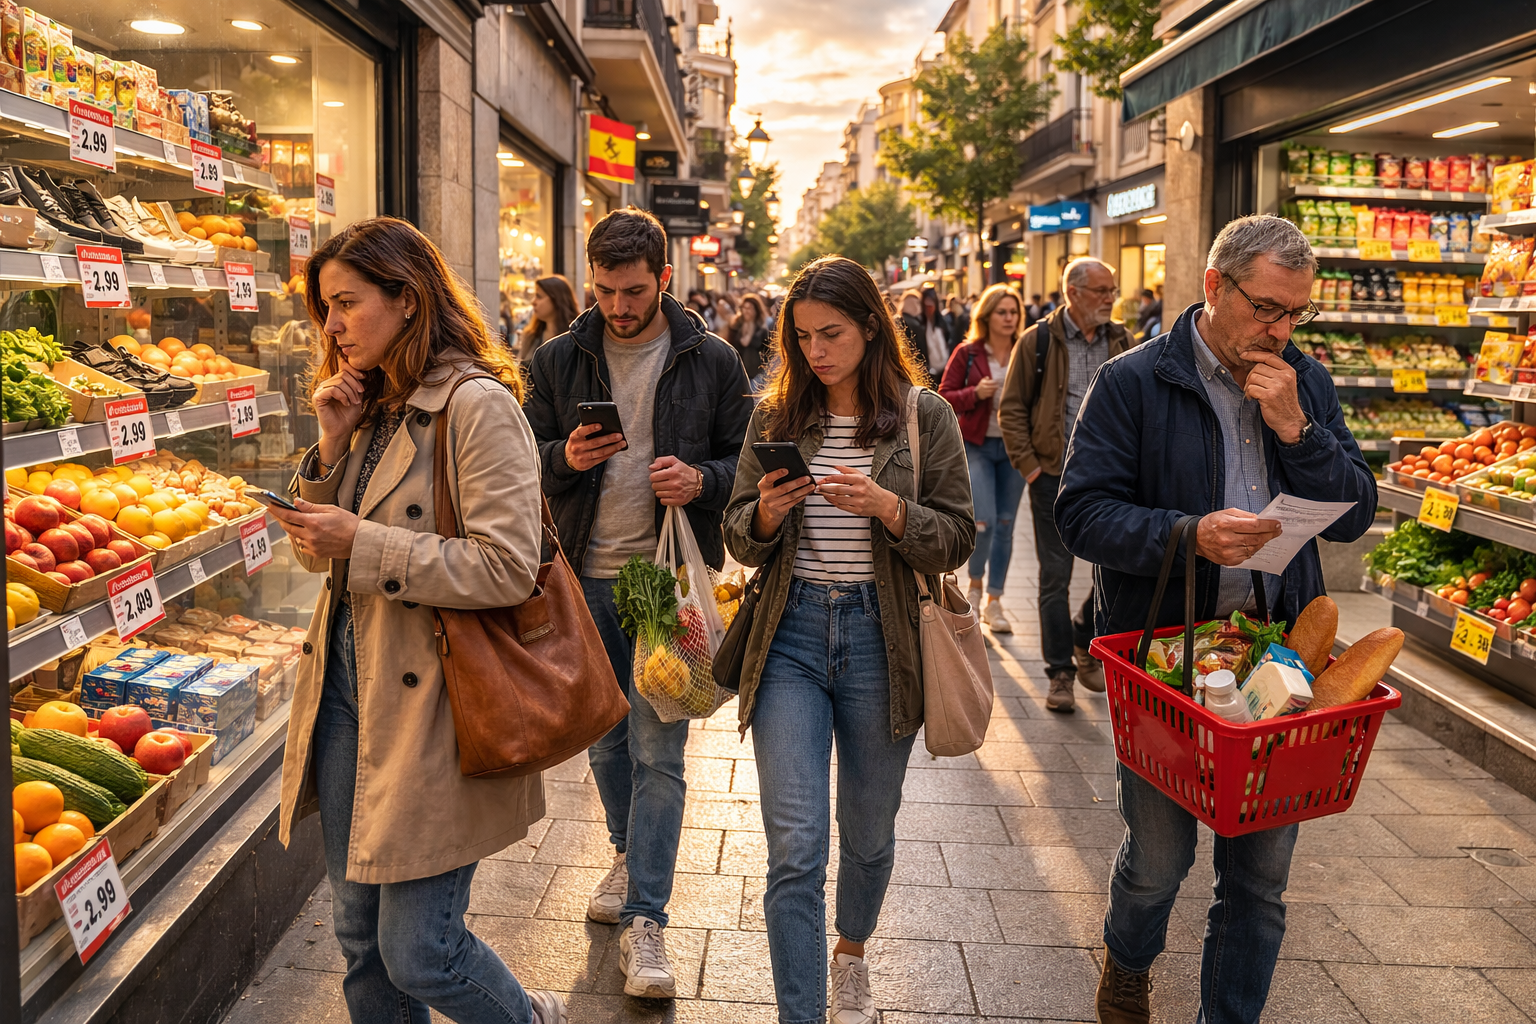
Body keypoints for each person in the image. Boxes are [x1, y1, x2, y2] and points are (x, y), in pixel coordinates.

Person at [1055, 215, 1377, 1024]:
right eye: (1266, 308)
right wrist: (1188, 535)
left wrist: (1299, 432)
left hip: (1278, 658)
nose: (1279, 330)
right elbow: (1081, 513)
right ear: (1213, 287)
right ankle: (1128, 960)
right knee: (1158, 862)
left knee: (1260, 877)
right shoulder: (1134, 381)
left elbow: (1352, 513)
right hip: (1166, 655)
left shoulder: (1304, 381)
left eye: (1296, 313)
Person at [269, 218, 567, 1024]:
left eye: (346, 304)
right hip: (342, 694)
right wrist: (329, 448)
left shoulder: (475, 405)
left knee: (421, 951)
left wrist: (364, 541)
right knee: (359, 942)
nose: (330, 327)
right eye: (324, 309)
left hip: (434, 707)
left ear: (407, 299)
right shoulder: (368, 405)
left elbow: (508, 567)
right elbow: (318, 559)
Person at [723, 255, 974, 1024]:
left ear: (871, 326)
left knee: (867, 831)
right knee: (795, 847)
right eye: (800, 337)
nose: (815, 351)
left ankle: (853, 950)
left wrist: (889, 508)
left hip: (881, 638)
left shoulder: (924, 415)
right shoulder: (774, 417)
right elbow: (737, 532)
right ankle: (802, 1014)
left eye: (830, 334)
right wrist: (766, 513)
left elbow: (958, 535)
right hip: (789, 633)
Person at [524, 208, 753, 1000]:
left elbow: (742, 466)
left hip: (662, 579)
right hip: (581, 574)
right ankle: (627, 853)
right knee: (604, 740)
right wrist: (563, 457)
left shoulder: (711, 359)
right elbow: (520, 456)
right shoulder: (558, 359)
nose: (619, 307)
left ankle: (646, 920)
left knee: (659, 747)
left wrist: (701, 482)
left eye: (633, 290)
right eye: (606, 290)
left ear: (664, 277)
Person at [997, 257, 1131, 713]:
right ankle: (1060, 672)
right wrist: (1032, 468)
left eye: (1112, 289)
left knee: (1117, 568)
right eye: (1101, 290)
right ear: (1073, 292)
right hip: (1052, 475)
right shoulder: (1037, 341)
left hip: (1110, 478)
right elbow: (1012, 409)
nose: (1110, 298)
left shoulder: (1121, 339)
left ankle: (1082, 632)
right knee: (1055, 575)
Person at [938, 283, 1025, 632]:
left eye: (1013, 312)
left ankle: (996, 601)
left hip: (1015, 450)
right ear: (986, 317)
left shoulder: (1025, 350)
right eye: (1002, 312)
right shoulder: (969, 353)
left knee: (1006, 524)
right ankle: (974, 587)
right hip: (976, 445)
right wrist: (975, 393)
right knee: (984, 520)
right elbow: (944, 396)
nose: (1009, 318)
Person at [517, 274, 579, 364]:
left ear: (557, 299)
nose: (533, 302)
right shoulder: (531, 337)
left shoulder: (576, 337)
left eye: (539, 296)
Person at [730, 292, 772, 380]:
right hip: (737, 372)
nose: (746, 311)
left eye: (750, 308)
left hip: (756, 374)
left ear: (756, 310)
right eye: (744, 308)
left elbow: (768, 351)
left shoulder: (761, 329)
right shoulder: (736, 326)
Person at [917, 288, 950, 377]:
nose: (929, 306)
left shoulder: (942, 322)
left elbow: (948, 341)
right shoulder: (919, 324)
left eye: (931, 302)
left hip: (945, 369)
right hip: (928, 372)